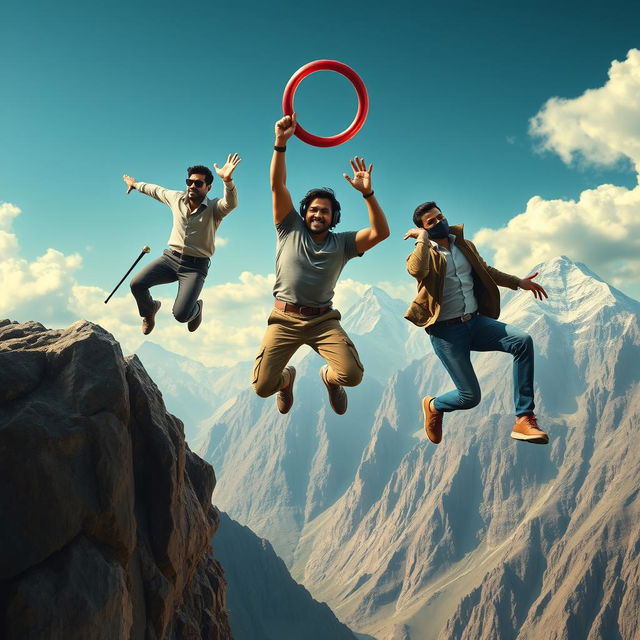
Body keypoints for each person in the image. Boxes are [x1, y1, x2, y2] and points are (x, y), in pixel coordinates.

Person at [252, 113, 390, 415]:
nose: (318, 214)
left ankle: (329, 379)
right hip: (284, 319)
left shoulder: (342, 244)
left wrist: (367, 193)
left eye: (325, 211)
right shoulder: (289, 227)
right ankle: (287, 379)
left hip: (323, 321)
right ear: (304, 213)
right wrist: (280, 144)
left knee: (352, 376)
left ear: (334, 218)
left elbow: (381, 233)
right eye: (313, 210)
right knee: (263, 387)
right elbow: (278, 187)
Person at [404, 201, 549, 445]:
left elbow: (485, 270)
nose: (439, 222)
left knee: (522, 342)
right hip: (447, 333)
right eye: (431, 222)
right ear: (423, 228)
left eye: (440, 217)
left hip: (476, 323)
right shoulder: (424, 253)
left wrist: (518, 282)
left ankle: (524, 418)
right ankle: (434, 405)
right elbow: (416, 270)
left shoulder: (464, 245)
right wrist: (422, 238)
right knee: (469, 397)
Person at [122, 156, 240, 334]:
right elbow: (156, 190)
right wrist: (136, 184)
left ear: (208, 187)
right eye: (189, 182)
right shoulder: (176, 198)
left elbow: (231, 203)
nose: (192, 186)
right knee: (136, 284)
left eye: (198, 183)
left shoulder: (215, 208)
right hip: (170, 259)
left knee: (181, 315)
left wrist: (227, 180)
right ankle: (149, 311)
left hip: (195, 267)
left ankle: (197, 308)